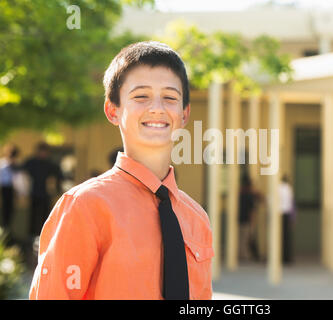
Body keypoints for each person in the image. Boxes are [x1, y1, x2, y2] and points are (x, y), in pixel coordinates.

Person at [29, 41, 214, 300]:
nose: (157, 108)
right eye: (141, 96)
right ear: (112, 110)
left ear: (184, 114)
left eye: (170, 98)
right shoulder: (85, 206)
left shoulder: (198, 219)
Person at [22, 142, 63, 238]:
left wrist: (57, 190)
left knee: (46, 216)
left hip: (45, 193)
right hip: (33, 192)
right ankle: (31, 235)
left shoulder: (49, 164)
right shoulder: (31, 162)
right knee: (33, 215)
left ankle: (44, 235)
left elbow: (59, 176)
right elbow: (21, 173)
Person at [0, 144, 20, 230]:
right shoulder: (3, 163)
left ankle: (7, 230)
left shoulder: (16, 165)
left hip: (11, 189)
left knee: (9, 211)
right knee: (4, 210)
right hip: (3, 188)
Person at [238, 174, 256, 262]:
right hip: (246, 220)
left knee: (241, 238)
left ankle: (241, 254)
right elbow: (251, 210)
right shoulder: (250, 195)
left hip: (239, 218)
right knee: (245, 238)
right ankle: (244, 255)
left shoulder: (240, 193)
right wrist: (252, 222)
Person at [279, 174, 296, 264]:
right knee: (287, 237)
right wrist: (293, 217)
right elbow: (292, 204)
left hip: (278, 215)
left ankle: (280, 256)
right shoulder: (288, 189)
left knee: (279, 237)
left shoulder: (278, 188)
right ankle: (287, 258)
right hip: (286, 214)